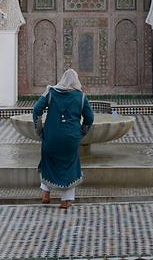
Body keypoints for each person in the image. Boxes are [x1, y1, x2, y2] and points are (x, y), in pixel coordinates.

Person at [32, 69, 94, 209]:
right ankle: (66, 200)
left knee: (48, 161)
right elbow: (89, 118)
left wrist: (39, 129)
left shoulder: (50, 92)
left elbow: (36, 110)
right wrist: (82, 132)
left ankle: (46, 194)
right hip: (71, 137)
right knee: (69, 165)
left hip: (51, 136)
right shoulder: (81, 96)